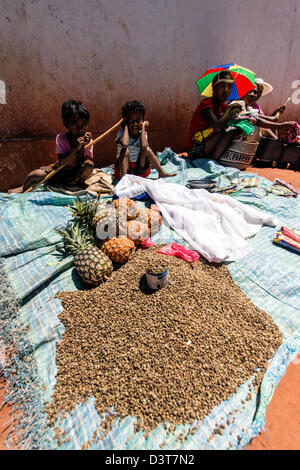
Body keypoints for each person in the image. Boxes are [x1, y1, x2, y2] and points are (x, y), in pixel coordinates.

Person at [10, 100, 94, 193]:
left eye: (84, 124)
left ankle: (78, 183)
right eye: (74, 123)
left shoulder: (88, 140)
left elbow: (84, 161)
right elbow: (62, 161)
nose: (80, 127)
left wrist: (82, 146)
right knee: (34, 175)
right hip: (60, 170)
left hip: (76, 172)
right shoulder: (61, 138)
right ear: (66, 124)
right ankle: (24, 188)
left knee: (89, 165)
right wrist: (75, 147)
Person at [182, 71, 244, 161]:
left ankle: (218, 158)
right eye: (222, 86)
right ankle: (215, 159)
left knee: (237, 128)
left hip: (209, 145)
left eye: (229, 87)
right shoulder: (206, 104)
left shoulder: (222, 105)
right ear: (214, 89)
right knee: (230, 130)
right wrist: (229, 109)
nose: (226, 90)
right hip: (195, 149)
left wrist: (235, 111)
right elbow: (218, 126)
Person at [114, 100, 176, 179]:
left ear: (142, 120)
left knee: (146, 149)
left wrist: (143, 126)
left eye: (138, 120)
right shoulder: (122, 133)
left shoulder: (142, 133)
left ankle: (161, 172)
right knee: (125, 150)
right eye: (131, 121)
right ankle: (124, 181)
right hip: (124, 171)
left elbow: (143, 146)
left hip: (139, 170)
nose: (135, 124)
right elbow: (125, 144)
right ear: (126, 121)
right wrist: (125, 125)